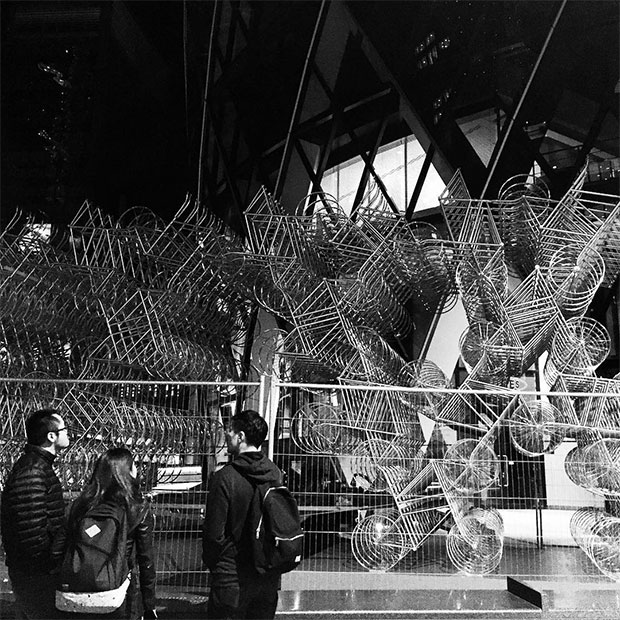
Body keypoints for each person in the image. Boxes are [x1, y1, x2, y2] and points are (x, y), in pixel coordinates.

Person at [54, 448, 157, 620]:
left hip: (75, 596)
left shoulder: (79, 505)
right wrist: (149, 605)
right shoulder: (136, 508)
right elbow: (146, 561)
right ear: (128, 472)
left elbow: (57, 550)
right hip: (118, 594)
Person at [203, 409, 283, 620]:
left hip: (231, 577)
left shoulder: (224, 478)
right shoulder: (275, 474)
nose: (226, 435)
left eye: (229, 431)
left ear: (240, 437)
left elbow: (213, 534)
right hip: (267, 576)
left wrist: (217, 566)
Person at [1, 408, 70, 619]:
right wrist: (50, 562)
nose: (69, 434)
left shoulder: (37, 466)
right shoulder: (33, 470)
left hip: (34, 569)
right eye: (65, 429)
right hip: (35, 571)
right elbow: (31, 528)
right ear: (51, 436)